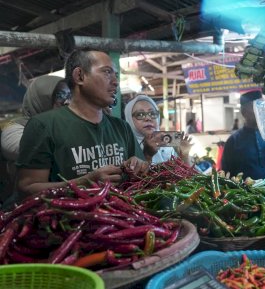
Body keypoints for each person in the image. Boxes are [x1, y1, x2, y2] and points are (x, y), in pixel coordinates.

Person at [16, 49, 148, 198]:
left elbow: (142, 176)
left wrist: (139, 165)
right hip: (71, 219)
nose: (115, 82)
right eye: (107, 72)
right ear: (80, 76)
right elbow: (27, 189)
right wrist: (83, 183)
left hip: (123, 219)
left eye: (116, 75)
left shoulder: (122, 127)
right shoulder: (43, 126)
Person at [1, 76, 71, 204]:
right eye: (60, 95)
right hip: (27, 202)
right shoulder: (14, 127)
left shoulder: (65, 126)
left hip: (63, 196)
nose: (66, 102)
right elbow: (30, 149)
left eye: (69, 96)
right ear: (41, 98)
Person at [124, 95, 192, 165]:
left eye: (152, 113)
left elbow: (187, 175)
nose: (148, 118)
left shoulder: (167, 144)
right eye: (140, 114)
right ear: (129, 119)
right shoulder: (125, 147)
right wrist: (147, 155)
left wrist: (184, 156)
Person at [221, 90, 265, 179]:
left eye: (262, 108)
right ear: (244, 112)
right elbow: (225, 175)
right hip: (246, 192)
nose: (261, 112)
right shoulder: (233, 142)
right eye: (256, 108)